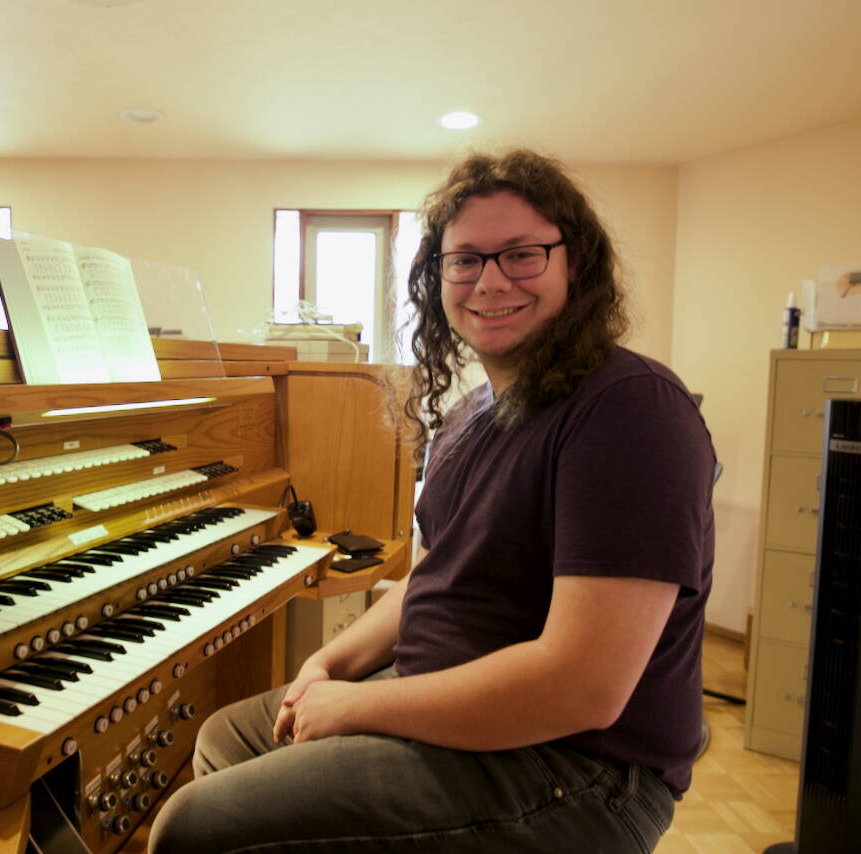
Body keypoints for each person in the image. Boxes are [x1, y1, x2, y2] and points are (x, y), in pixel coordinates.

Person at [148, 149, 716, 853]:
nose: (490, 281)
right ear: (438, 277)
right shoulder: (471, 414)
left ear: (577, 265)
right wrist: (328, 667)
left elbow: (582, 686)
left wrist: (359, 705)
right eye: (466, 260)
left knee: (195, 827)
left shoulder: (629, 409)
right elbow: (429, 580)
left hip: (580, 767)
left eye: (522, 255)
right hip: (444, 697)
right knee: (228, 737)